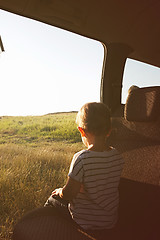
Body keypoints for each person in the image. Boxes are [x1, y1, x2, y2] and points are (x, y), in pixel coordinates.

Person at [44, 102, 124, 233]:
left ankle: (47, 230)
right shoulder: (117, 156)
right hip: (109, 220)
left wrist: (59, 191)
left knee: (52, 200)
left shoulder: (81, 159)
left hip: (84, 221)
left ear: (82, 131)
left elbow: (69, 193)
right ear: (109, 131)